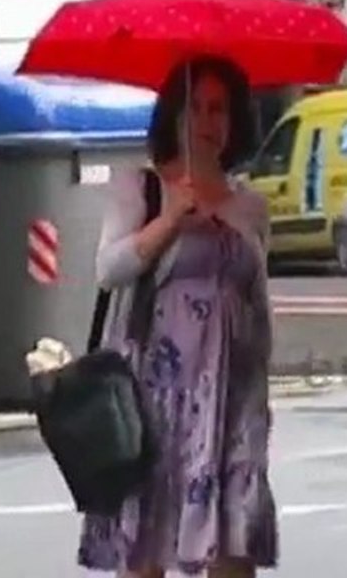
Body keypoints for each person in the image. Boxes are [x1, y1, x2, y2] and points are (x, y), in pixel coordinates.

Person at [77, 57, 278, 578]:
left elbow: (258, 305)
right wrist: (170, 219)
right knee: (147, 547)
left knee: (234, 549)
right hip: (158, 400)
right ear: (174, 115)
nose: (209, 122)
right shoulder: (139, 189)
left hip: (232, 403)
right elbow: (109, 269)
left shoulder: (250, 206)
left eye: (220, 110)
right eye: (198, 108)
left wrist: (260, 403)